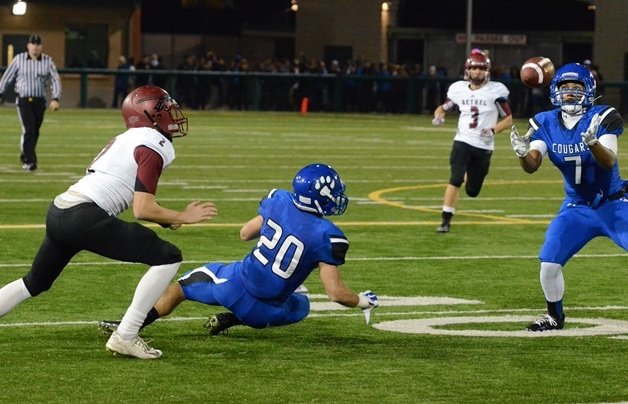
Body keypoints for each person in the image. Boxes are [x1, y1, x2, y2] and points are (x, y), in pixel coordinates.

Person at [0, 85, 218, 359]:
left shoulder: (127, 138)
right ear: (148, 114)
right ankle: (126, 335)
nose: (172, 113)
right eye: (164, 108)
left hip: (60, 210)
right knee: (169, 257)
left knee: (33, 282)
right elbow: (142, 208)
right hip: (84, 216)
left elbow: (130, 193)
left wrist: (165, 219)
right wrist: (182, 216)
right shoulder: (152, 142)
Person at [98, 163, 379, 337]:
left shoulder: (278, 200)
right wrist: (364, 301)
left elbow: (245, 233)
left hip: (232, 284)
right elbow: (335, 294)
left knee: (179, 288)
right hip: (266, 313)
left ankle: (129, 325)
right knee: (301, 305)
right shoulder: (328, 235)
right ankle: (231, 319)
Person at [509, 63, 626, 331]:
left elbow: (608, 162)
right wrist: (521, 153)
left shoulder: (602, 116)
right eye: (565, 87)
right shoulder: (545, 122)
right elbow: (532, 165)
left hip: (614, 203)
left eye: (577, 87)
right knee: (549, 263)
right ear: (554, 90)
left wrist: (593, 143)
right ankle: (554, 316)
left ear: (589, 90)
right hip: (576, 208)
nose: (570, 93)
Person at [432, 49, 513, 233]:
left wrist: (493, 129)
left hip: (484, 145)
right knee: (455, 179)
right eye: (474, 69)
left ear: (487, 71)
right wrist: (438, 116)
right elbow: (442, 108)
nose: (477, 72)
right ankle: (445, 220)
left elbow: (508, 120)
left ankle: (469, 174)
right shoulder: (458, 89)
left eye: (481, 69)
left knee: (472, 191)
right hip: (462, 140)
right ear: (467, 70)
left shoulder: (495, 91)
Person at [0, 34, 61, 172]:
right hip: (23, 100)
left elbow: (55, 79)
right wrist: (0, 92)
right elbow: (7, 77)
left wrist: (56, 98)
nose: (35, 47)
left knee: (35, 132)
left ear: (41, 46)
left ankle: (26, 155)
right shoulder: (19, 59)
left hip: (39, 101)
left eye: (38, 44)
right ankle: (29, 161)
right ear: (28, 46)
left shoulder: (47, 61)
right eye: (33, 44)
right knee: (29, 130)